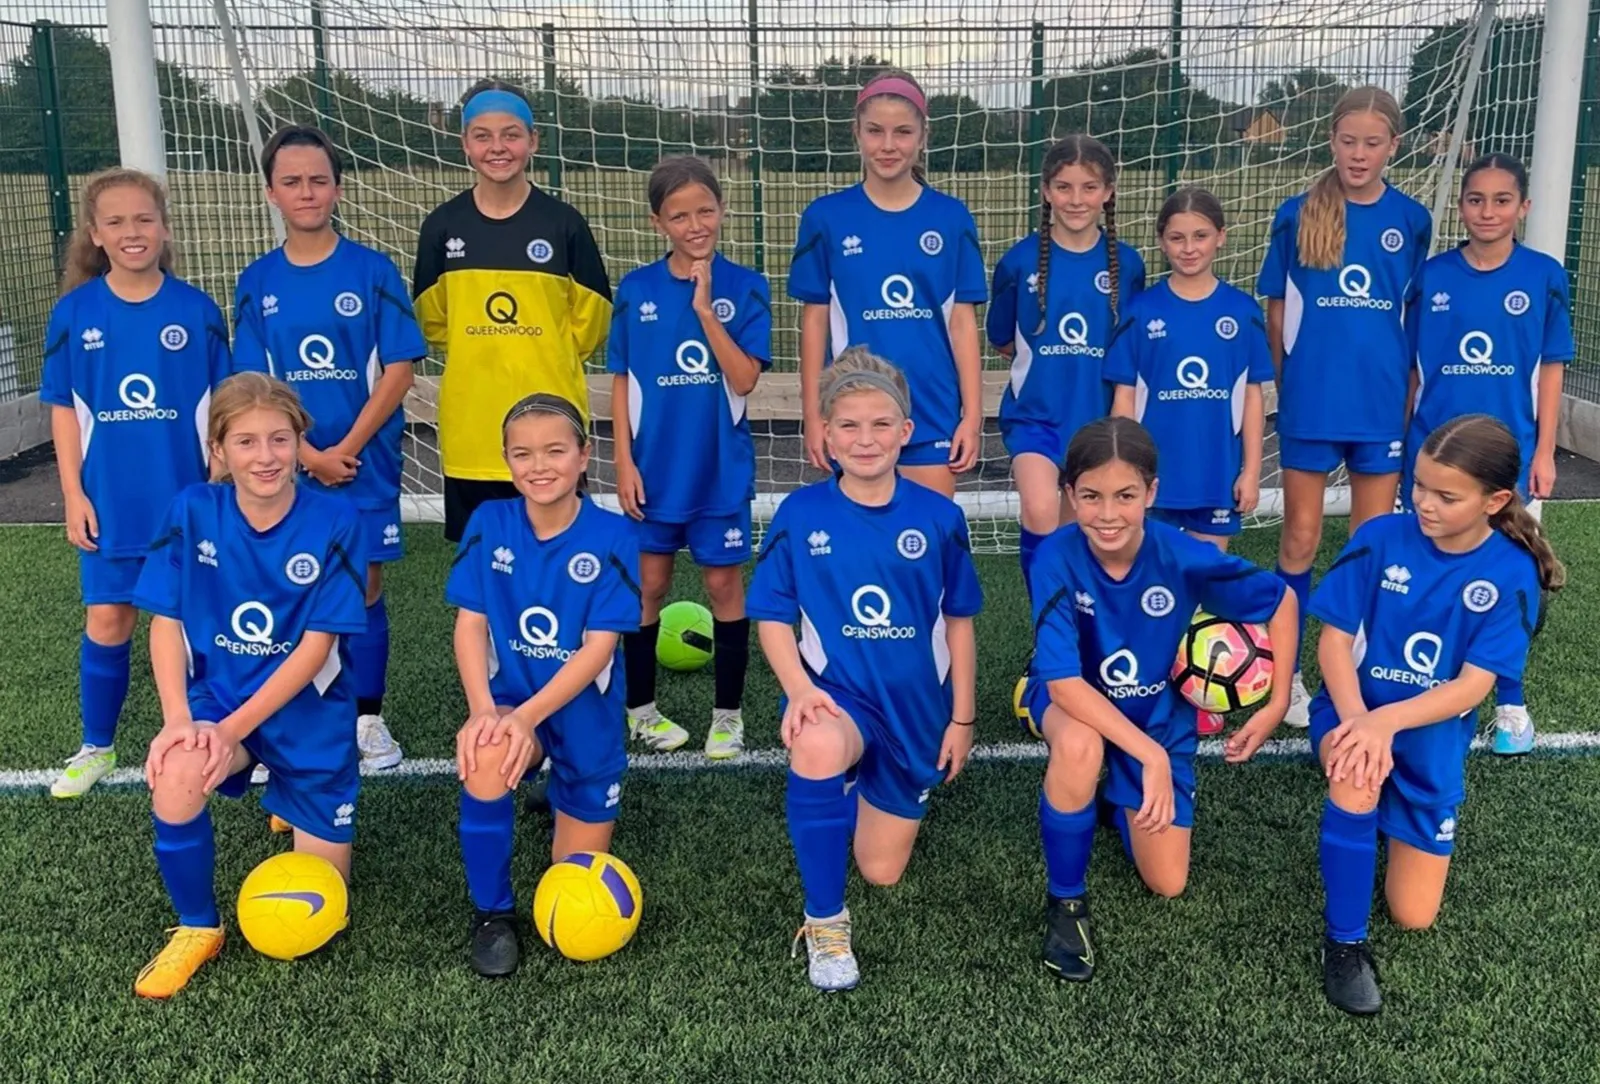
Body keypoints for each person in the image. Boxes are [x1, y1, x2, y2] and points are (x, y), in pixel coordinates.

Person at [1018, 417, 1296, 982]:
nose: (1107, 513)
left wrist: (1275, 701)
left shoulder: (1184, 555)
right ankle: (1066, 903)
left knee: (1168, 883)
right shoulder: (1055, 557)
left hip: (1160, 717)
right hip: (1078, 701)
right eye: (1090, 496)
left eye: (1125, 495)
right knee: (1078, 746)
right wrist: (1149, 757)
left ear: (1152, 493)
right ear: (1069, 495)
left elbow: (1282, 601)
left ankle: (1109, 798)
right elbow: (1066, 683)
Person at [748, 346, 983, 993]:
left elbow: (959, 620)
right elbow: (770, 613)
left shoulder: (939, 517)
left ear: (906, 432)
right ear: (825, 434)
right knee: (817, 743)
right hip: (840, 696)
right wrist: (799, 691)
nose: (866, 438)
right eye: (848, 425)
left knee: (880, 869)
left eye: (881, 424)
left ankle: (854, 785)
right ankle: (826, 922)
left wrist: (963, 716)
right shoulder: (802, 514)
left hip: (918, 713)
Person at [1310, 414, 1559, 1015]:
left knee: (1414, 916)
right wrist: (1357, 722)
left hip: (1428, 741)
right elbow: (1334, 642)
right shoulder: (1379, 537)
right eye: (1418, 485)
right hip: (1352, 710)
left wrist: (1387, 724)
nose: (1423, 502)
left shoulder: (1510, 573)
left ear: (1494, 500)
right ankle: (1343, 944)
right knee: (1356, 770)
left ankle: (1384, 820)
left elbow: (1473, 687)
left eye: (1446, 496)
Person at [131, 372, 368, 998]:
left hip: (310, 714)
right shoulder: (192, 510)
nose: (265, 457)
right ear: (220, 450)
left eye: (279, 440)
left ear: (298, 443)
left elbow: (317, 646)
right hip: (220, 698)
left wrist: (231, 730)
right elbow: (166, 623)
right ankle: (197, 926)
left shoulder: (337, 519)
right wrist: (181, 721)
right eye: (245, 442)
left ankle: (291, 803)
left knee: (322, 902)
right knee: (179, 770)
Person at [233, 124, 425, 773]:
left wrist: (345, 446)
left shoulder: (373, 272)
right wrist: (306, 454)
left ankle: (367, 719)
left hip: (363, 464)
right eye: (292, 181)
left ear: (338, 188)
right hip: (282, 471)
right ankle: (281, 721)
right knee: (284, 586)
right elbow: (253, 384)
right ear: (271, 193)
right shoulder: (257, 280)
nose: (307, 191)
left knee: (364, 586)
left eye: (318, 179)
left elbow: (400, 368)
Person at [40, 167, 232, 799]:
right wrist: (73, 491)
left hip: (183, 500)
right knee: (109, 618)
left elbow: (222, 406)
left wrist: (218, 481)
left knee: (201, 623)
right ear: (95, 234)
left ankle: (224, 737)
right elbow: (65, 409)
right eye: (116, 221)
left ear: (164, 228)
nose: (132, 232)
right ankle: (97, 744)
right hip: (112, 499)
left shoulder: (198, 313)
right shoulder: (74, 314)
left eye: (144, 219)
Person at [447, 393, 640, 978]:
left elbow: (597, 649)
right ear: (507, 462)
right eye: (523, 454)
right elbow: (470, 622)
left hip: (583, 714)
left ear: (585, 456)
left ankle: (558, 784)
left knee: (573, 874)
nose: (540, 466)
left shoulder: (613, 536)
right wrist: (485, 710)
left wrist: (528, 716)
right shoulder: (490, 522)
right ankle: (493, 913)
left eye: (556, 451)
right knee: (486, 753)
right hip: (510, 704)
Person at [1257, 86, 1432, 728]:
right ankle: (1286, 675)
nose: (1359, 154)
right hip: (1314, 402)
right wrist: (1292, 382)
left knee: (1370, 542)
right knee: (1300, 536)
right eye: (1349, 141)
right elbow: (1276, 313)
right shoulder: (1297, 212)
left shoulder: (1412, 221)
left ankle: (1358, 667)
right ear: (1331, 141)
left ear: (1394, 146)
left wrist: (1409, 387)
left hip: (1382, 404)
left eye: (1373, 143)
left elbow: (1410, 313)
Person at [1402, 153, 1573, 756]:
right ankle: (1424, 684)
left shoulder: (1545, 275)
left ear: (1522, 207)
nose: (1488, 211)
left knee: (1504, 576)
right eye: (1476, 199)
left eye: (1503, 200)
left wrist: (1545, 451)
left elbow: (1550, 369)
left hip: (1507, 455)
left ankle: (1511, 703)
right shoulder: (1432, 277)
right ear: (1460, 206)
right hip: (1432, 451)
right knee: (1429, 570)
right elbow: (1413, 372)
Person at [608, 156, 770, 757]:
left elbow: (746, 378)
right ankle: (642, 711)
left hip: (719, 469)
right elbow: (622, 380)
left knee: (725, 584)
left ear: (721, 210)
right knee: (648, 585)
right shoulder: (637, 290)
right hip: (653, 469)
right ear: (658, 223)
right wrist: (623, 462)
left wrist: (706, 311)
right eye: (680, 215)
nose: (695, 224)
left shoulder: (746, 286)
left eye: (705, 210)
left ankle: (727, 716)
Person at [412, 78, 612, 543]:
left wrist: (542, 353)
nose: (497, 147)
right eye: (482, 135)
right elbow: (434, 321)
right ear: (465, 143)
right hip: (472, 428)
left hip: (552, 427)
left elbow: (593, 321)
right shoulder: (442, 227)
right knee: (482, 567)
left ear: (533, 141)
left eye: (511, 134)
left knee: (560, 557)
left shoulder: (564, 224)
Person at [1106, 187, 1273, 735]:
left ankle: (1196, 690)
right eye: (1176, 237)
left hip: (1214, 478)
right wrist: (1123, 476)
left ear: (1220, 238)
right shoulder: (1144, 311)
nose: (1189, 247)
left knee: (1201, 586)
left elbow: (1252, 399)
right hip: (1154, 484)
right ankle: (1135, 682)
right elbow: (1125, 400)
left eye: (1200, 235)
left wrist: (1250, 470)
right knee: (1146, 585)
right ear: (1161, 243)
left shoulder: (1241, 312)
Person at [789, 69, 986, 498]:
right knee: (861, 549)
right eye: (875, 131)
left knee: (930, 545)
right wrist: (812, 415)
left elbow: (962, 323)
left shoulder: (951, 218)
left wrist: (972, 415)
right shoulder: (826, 218)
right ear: (856, 133)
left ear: (922, 136)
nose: (888, 145)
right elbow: (815, 322)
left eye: (902, 132)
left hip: (932, 407)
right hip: (853, 410)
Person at [989, 134, 1145, 593]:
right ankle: (1047, 633)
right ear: (1045, 190)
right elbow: (1004, 340)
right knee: (1039, 510)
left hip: (1096, 424)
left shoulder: (1128, 265)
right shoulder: (1018, 262)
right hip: (1035, 417)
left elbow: (1129, 351)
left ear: (1109, 192)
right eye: (1063, 187)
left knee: (1080, 533)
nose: (1076, 199)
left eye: (1089, 187)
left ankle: (1079, 634)